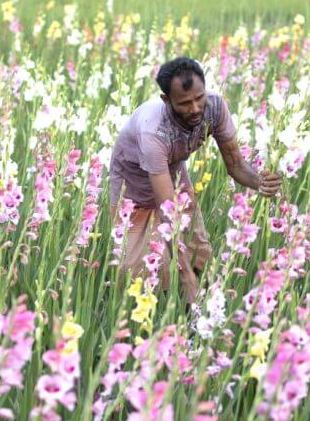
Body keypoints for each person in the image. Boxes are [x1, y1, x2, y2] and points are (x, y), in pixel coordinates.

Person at [109, 57, 281, 303]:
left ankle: (194, 315)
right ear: (166, 101)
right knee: (136, 271)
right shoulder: (153, 132)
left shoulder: (215, 107)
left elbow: (235, 165)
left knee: (195, 247)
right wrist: (186, 275)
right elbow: (169, 212)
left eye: (199, 98)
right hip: (132, 182)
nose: (196, 109)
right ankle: (156, 316)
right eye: (185, 103)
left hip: (172, 169)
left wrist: (260, 183)